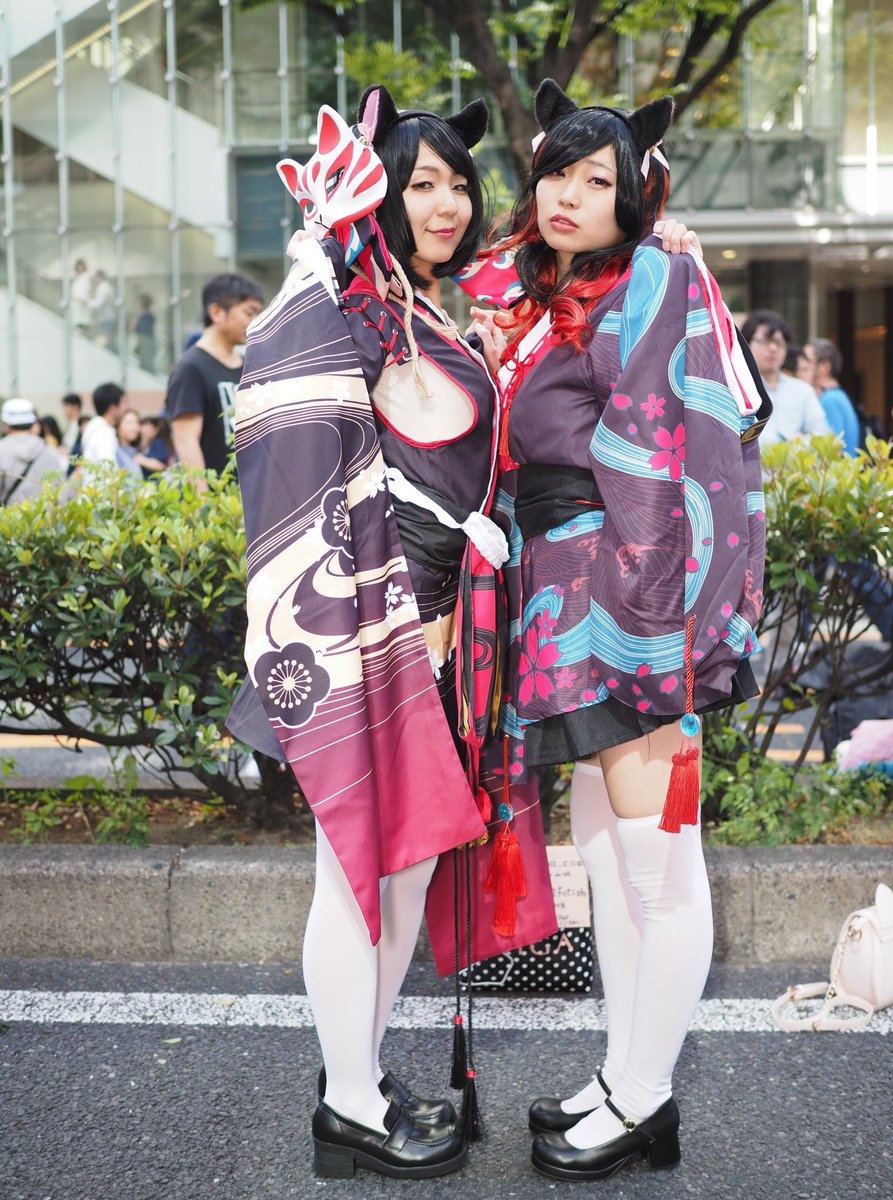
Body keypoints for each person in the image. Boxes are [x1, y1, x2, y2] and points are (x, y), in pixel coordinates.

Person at [227, 87, 561, 1181]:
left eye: (458, 182)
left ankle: (359, 1076)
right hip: (380, 628)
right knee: (356, 872)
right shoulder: (354, 305)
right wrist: (319, 247)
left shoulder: (425, 308)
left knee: (405, 872)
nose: (448, 202)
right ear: (379, 194)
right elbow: (286, 415)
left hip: (442, 633)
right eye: (421, 183)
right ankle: (349, 1105)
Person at [461, 80, 767, 1182]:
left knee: (656, 862)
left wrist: (653, 626)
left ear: (636, 198)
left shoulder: (655, 277)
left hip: (630, 602)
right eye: (558, 171)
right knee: (606, 855)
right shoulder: (545, 295)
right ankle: (624, 1073)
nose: (570, 194)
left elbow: (683, 440)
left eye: (600, 180)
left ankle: (645, 1098)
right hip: (569, 600)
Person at [165, 274, 264, 477]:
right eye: (249, 312)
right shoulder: (190, 368)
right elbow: (186, 441)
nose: (255, 321)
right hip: (218, 494)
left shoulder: (249, 365)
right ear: (217, 312)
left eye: (258, 313)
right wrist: (204, 496)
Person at [742, 310, 829, 446]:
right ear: (746, 344)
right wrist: (795, 441)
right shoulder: (738, 391)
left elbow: (822, 437)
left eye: (778, 342)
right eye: (765, 341)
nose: (773, 348)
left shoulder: (803, 390)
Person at [0, 398, 64, 505]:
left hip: (9, 514)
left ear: (6, 424)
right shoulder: (48, 450)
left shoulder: (2, 449)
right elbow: (60, 491)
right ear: (33, 423)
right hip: (43, 514)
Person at [805, 338, 860, 454]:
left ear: (824, 366)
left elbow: (832, 451)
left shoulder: (830, 400)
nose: (802, 365)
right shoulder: (837, 396)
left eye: (807, 360)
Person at [80, 383, 124, 465]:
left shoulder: (95, 427)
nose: (126, 407)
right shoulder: (104, 434)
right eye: (124, 402)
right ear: (112, 408)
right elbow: (107, 468)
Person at [88, 269, 118, 349]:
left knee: (105, 344)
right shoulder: (109, 287)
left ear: (99, 277)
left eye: (95, 277)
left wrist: (88, 300)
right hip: (109, 318)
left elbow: (99, 303)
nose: (94, 280)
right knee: (108, 342)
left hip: (105, 319)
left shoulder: (102, 287)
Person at [131, 294, 157, 373]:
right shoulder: (146, 315)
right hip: (145, 342)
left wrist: (135, 326)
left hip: (146, 342)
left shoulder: (146, 315)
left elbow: (142, 328)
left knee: (146, 365)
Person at [70, 259, 93, 332]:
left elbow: (87, 288)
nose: (80, 268)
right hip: (76, 303)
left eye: (81, 266)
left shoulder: (86, 276)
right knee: (77, 322)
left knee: (83, 321)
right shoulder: (77, 277)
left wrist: (86, 298)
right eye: (78, 266)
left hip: (82, 302)